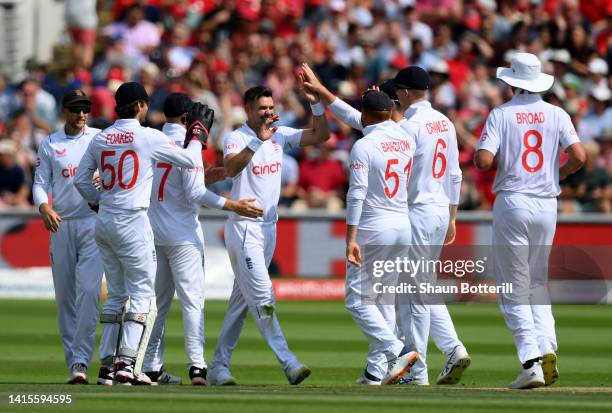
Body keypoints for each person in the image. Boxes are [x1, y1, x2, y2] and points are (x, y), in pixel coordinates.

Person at [301, 63, 470, 386]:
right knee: (414, 288)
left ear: (404, 94)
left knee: (407, 295)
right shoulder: (445, 122)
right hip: (437, 208)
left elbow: (365, 123)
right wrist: (452, 215)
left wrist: (324, 94)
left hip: (413, 211)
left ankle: (417, 367)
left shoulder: (410, 125)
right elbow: (455, 173)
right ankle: (436, 352)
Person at [73, 81, 209, 385]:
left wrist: (98, 204)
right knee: (143, 295)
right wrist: (198, 135)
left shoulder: (101, 138)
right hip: (133, 221)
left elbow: (81, 181)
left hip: (105, 221)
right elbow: (190, 160)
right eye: (145, 104)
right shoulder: (148, 136)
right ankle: (126, 364)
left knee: (116, 295)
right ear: (138, 106)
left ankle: (107, 365)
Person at [474, 52, 586, 389]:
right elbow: (580, 157)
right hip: (546, 204)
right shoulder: (557, 113)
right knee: (537, 281)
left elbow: (482, 160)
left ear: (511, 83)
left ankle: (531, 361)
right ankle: (547, 345)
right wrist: (556, 174)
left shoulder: (501, 114)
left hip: (514, 201)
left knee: (512, 286)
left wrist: (506, 159)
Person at [208, 82, 329, 386]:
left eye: (271, 108)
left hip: (268, 228)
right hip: (244, 226)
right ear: (248, 110)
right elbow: (232, 169)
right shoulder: (236, 137)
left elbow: (320, 134)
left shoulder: (280, 136)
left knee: (241, 302)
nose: (268, 113)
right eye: (262, 108)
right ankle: (288, 361)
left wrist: (315, 105)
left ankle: (218, 367)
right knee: (263, 296)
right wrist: (257, 142)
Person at [142, 93, 264, 385]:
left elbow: (177, 181)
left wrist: (210, 175)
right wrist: (234, 205)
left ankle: (149, 365)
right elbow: (194, 192)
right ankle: (197, 366)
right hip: (183, 234)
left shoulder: (149, 140)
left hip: (152, 232)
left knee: (157, 305)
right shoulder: (190, 145)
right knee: (192, 301)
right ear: (188, 119)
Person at [344, 90, 419, 385]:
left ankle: (396, 351)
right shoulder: (406, 139)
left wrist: (351, 238)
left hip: (376, 228)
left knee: (358, 301)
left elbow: (357, 193)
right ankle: (375, 373)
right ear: (389, 110)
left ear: (364, 114)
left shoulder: (364, 145)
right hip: (403, 225)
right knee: (384, 300)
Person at [31, 89, 103, 384]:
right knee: (65, 299)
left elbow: (120, 171)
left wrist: (105, 177)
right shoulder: (51, 143)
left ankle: (81, 361)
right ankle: (73, 360)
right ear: (64, 111)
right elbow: (39, 183)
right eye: (75, 108)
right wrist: (44, 205)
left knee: (88, 293)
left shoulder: (99, 139)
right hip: (62, 225)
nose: (81, 114)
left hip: (92, 222)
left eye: (85, 108)